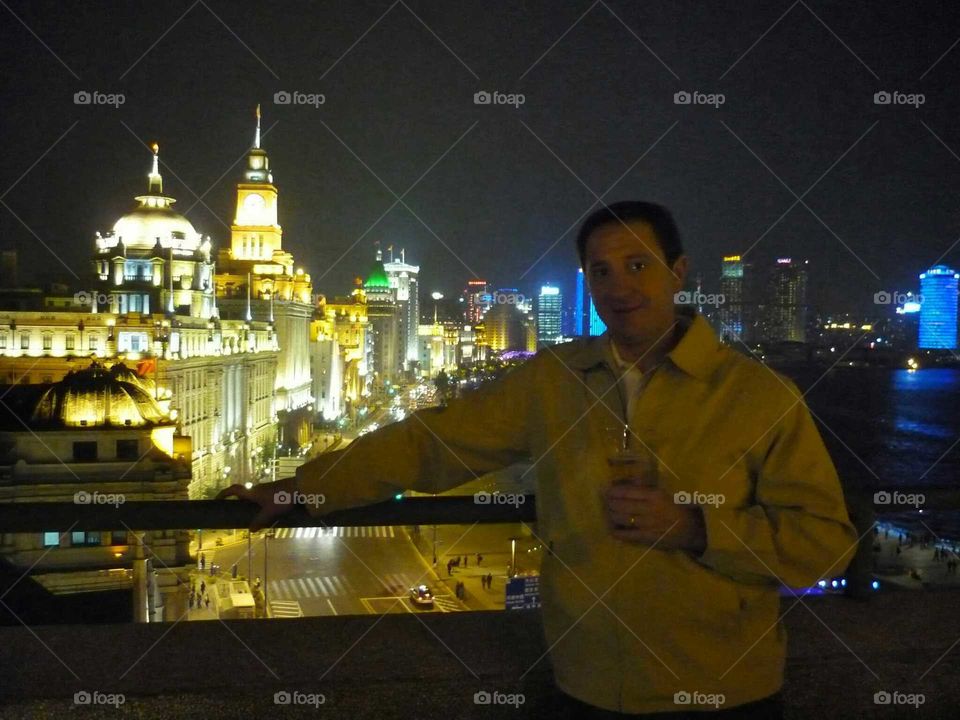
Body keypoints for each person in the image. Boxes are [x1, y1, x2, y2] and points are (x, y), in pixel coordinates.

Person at [219, 201, 858, 717]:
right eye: (600, 272)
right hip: (585, 688)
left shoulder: (756, 395)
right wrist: (305, 487)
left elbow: (825, 543)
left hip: (725, 692)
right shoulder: (556, 380)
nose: (619, 287)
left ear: (679, 271)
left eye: (638, 265)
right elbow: (432, 444)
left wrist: (696, 527)